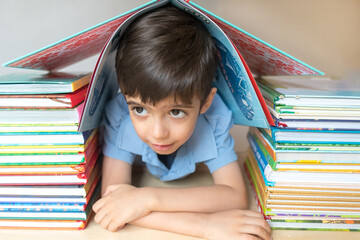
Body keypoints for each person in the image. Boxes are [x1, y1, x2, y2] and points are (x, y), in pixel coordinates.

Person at [93, 5, 271, 240]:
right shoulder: (119, 115)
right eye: (139, 109)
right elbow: (112, 203)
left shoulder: (214, 117)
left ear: (205, 103)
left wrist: (147, 198)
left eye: (176, 112)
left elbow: (235, 195)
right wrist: (203, 225)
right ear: (125, 96)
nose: (158, 133)